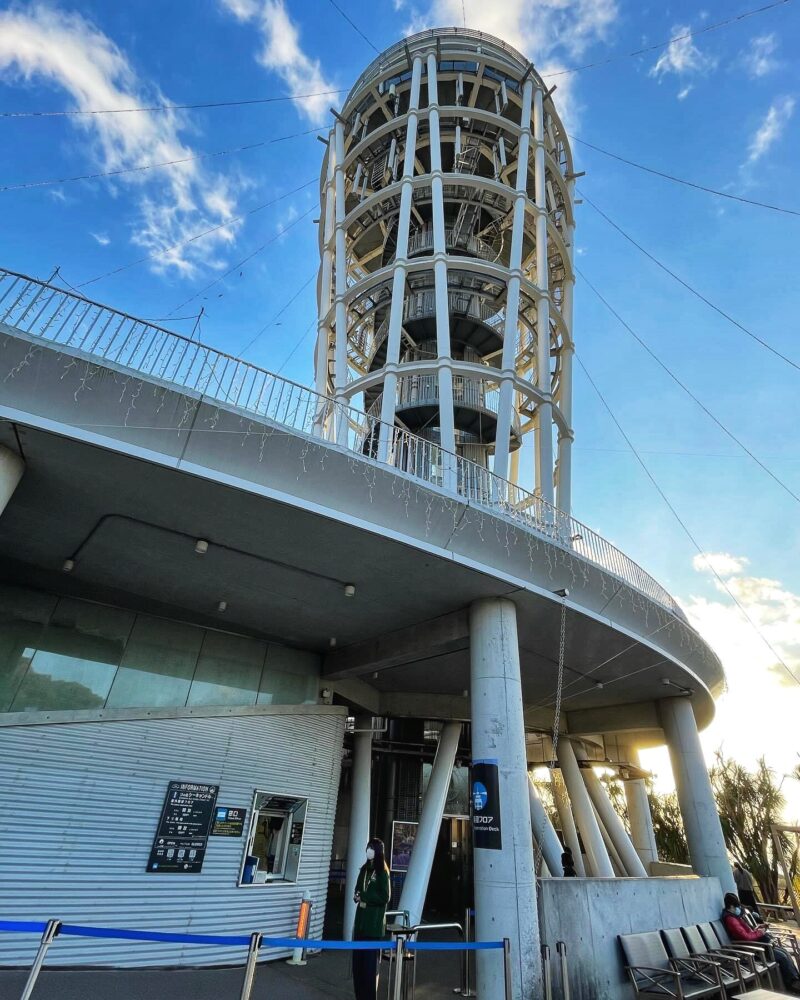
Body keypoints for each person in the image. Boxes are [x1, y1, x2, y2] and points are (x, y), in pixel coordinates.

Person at [722, 892, 800, 994]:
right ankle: (792, 983)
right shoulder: (731, 920)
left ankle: (795, 979)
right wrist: (760, 933)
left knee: (784, 952)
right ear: (731, 906)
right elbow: (745, 937)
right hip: (753, 949)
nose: (738, 909)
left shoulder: (734, 917)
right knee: (782, 956)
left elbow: (748, 933)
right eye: (736, 906)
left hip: (757, 944)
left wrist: (758, 929)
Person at [352, 837, 391, 1000]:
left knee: (369, 969)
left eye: (371, 848)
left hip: (372, 926)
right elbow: (358, 887)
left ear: (378, 851)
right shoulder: (364, 869)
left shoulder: (382, 872)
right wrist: (357, 895)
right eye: (368, 847)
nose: (368, 850)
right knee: (358, 967)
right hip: (360, 924)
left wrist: (365, 896)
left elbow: (385, 896)